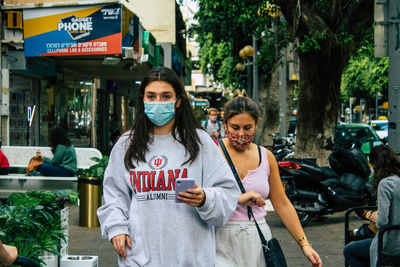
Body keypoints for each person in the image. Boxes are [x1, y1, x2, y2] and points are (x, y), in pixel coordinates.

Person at [97, 67, 240, 267]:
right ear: (143, 99)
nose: (158, 102)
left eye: (166, 96)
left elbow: (227, 194)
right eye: (151, 96)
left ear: (178, 101)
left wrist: (205, 198)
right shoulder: (126, 144)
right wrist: (117, 228)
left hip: (191, 257)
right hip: (138, 257)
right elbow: (114, 194)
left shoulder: (201, 143)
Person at [215, 91, 322, 267]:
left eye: (247, 128)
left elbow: (282, 203)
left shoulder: (266, 157)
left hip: (258, 239)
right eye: (235, 127)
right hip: (219, 239)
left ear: (256, 125)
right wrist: (235, 199)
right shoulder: (210, 152)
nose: (241, 134)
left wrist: (304, 244)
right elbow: (198, 196)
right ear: (225, 124)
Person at [368, 145, 400, 266]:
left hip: (391, 242)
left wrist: (376, 217)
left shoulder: (386, 184)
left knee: (350, 250)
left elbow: (382, 221)